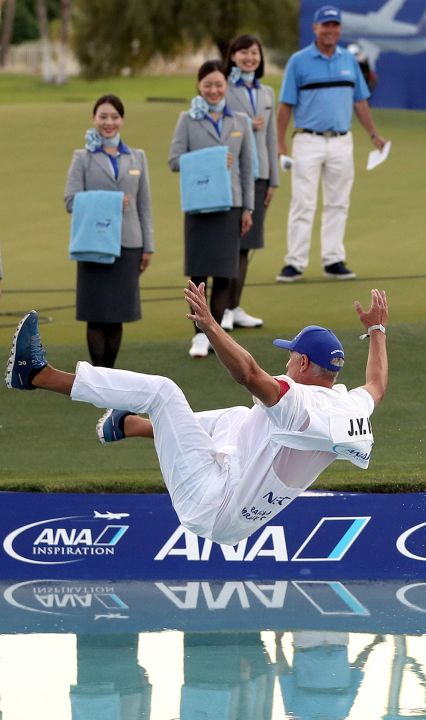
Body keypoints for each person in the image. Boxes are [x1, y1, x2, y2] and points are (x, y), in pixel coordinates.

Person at [5, 284, 389, 546]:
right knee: (241, 419)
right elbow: (377, 384)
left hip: (212, 504)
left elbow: (250, 374)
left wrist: (209, 326)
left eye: (290, 356)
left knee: (163, 392)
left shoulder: (297, 403)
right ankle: (127, 425)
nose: (286, 361)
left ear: (303, 362)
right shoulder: (349, 407)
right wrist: (376, 328)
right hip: (239, 516)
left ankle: (38, 374)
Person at [276, 5, 389, 283]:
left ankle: (333, 259)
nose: (330, 30)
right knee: (303, 202)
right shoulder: (299, 61)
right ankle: (295, 262)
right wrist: (280, 145)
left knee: (338, 203)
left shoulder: (348, 61)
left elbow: (360, 101)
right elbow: (285, 106)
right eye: (325, 25)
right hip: (307, 139)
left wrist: (373, 135)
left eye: (334, 25)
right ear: (315, 28)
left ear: (339, 29)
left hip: (341, 141)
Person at [169, 60, 256, 359]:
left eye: (219, 84)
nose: (214, 90)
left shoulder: (241, 121)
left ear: (226, 86)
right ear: (199, 86)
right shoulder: (187, 119)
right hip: (199, 205)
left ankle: (215, 334)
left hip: (230, 205)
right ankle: (199, 335)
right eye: (208, 85)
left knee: (224, 274)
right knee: (199, 275)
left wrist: (247, 208)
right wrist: (212, 160)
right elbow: (174, 160)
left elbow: (247, 169)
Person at [64, 94, 154, 368]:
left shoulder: (137, 157)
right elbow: (70, 200)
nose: (109, 122)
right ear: (94, 119)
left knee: (116, 315)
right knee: (96, 314)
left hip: (129, 243)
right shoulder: (82, 157)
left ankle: (109, 375)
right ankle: (97, 377)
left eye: (114, 117)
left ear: (122, 120)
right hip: (94, 246)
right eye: (103, 116)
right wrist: (111, 203)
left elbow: (144, 205)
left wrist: (148, 246)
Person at [221, 34, 280, 332]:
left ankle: (235, 305)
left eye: (254, 52)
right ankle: (223, 309)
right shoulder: (225, 89)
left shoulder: (267, 92)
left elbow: (271, 139)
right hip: (233, 177)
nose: (249, 57)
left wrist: (273, 180)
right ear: (233, 56)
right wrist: (244, 122)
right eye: (243, 52)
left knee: (247, 245)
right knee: (232, 245)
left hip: (260, 176)